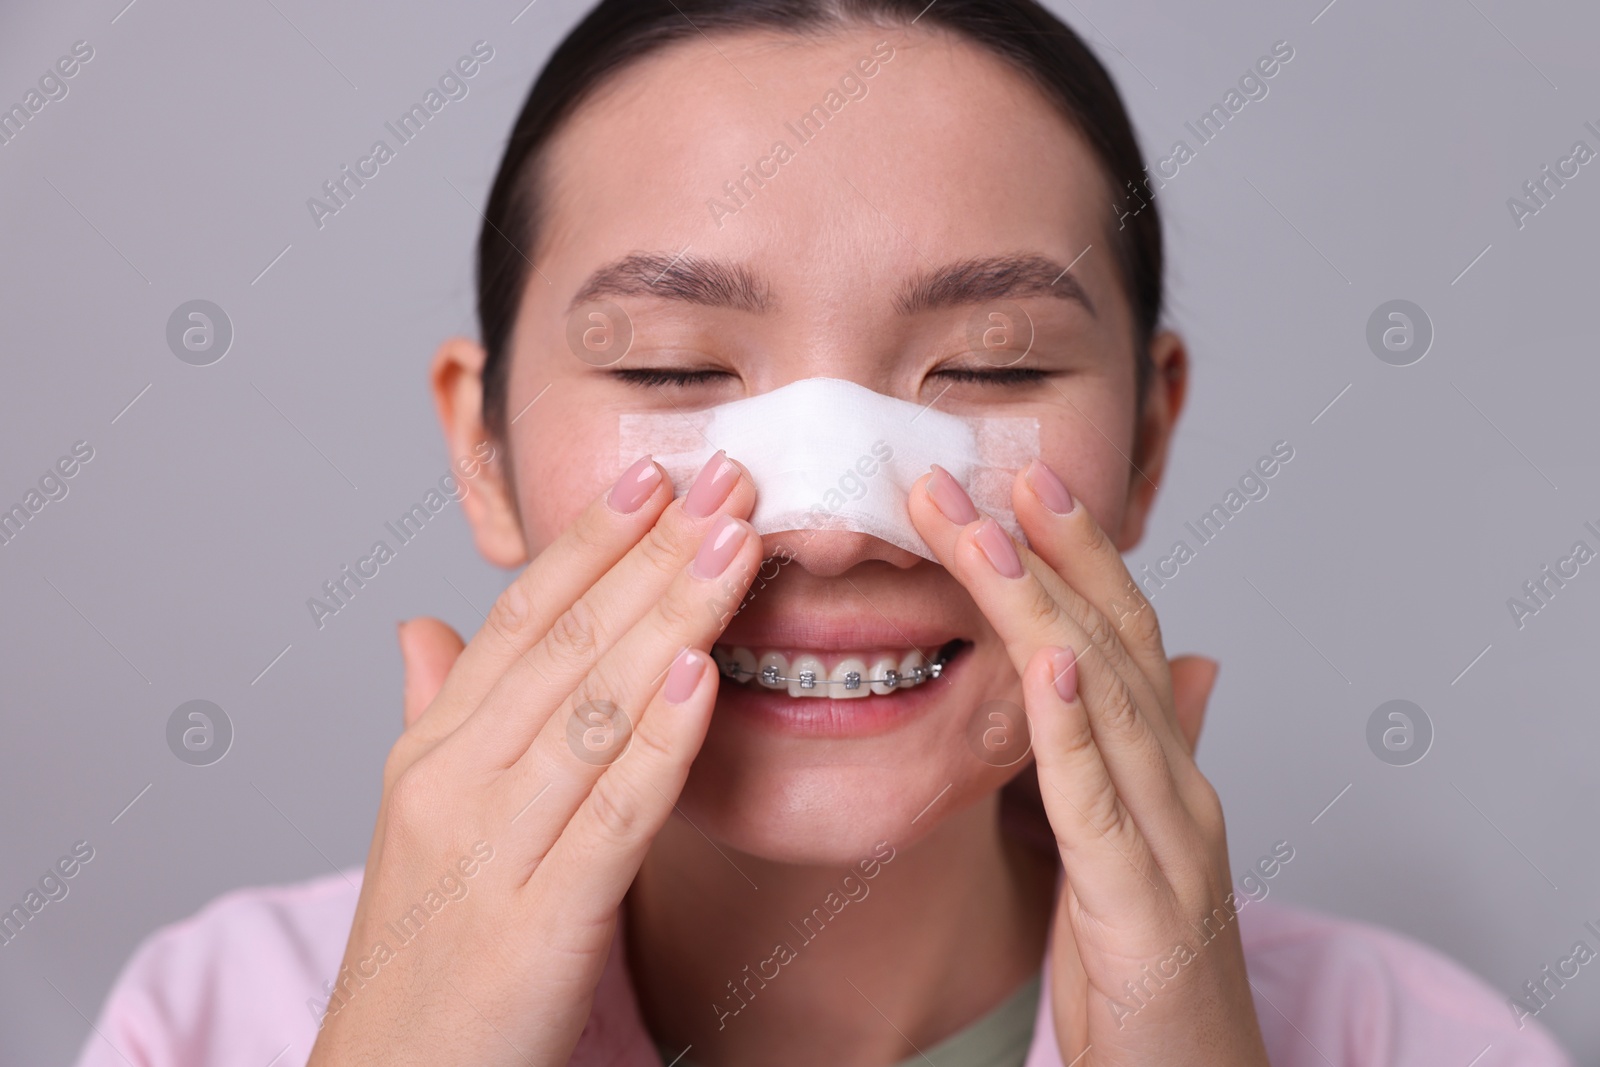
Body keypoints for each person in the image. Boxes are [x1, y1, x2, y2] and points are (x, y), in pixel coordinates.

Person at [75, 0, 1573, 1064]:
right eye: (671, 368)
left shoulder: (1424, 1043)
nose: (837, 524)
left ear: (1150, 440)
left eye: (989, 366)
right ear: (481, 444)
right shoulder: (209, 1023)